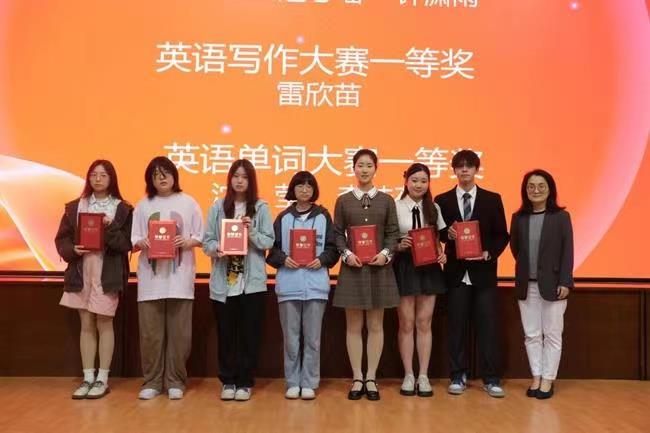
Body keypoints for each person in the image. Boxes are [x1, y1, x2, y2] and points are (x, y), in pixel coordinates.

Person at [434, 150, 509, 398]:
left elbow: (502, 235)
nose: (464, 170)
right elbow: (437, 233)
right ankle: (458, 375)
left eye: (469, 166)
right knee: (456, 327)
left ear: (477, 169)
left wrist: (489, 253)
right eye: (460, 166)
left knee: (488, 327)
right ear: (454, 170)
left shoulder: (492, 199)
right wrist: (447, 234)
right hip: (456, 274)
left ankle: (491, 378)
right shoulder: (442, 200)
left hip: (483, 273)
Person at [55, 159, 132, 399]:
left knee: (105, 323)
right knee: (86, 324)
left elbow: (126, 244)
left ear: (112, 179)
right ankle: (88, 377)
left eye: (103, 175)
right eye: (94, 175)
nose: (98, 179)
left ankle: (102, 378)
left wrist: (108, 227)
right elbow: (62, 239)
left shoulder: (123, 209)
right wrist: (72, 249)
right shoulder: (75, 207)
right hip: (81, 271)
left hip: (108, 272)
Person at [131, 156, 204, 400]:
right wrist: (142, 242)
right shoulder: (143, 205)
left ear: (174, 176)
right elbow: (134, 239)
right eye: (155, 175)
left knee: (180, 336)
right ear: (150, 180)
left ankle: (175, 381)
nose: (161, 178)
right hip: (151, 281)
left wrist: (187, 241)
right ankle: (152, 381)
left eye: (165, 173)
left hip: (180, 280)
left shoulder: (189, 202)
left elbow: (201, 236)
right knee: (150, 335)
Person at [203, 159, 274, 402]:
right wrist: (218, 249)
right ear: (230, 179)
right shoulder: (218, 207)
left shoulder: (261, 208)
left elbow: (268, 241)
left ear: (251, 180)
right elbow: (207, 242)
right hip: (224, 284)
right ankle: (228, 381)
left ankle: (244, 381)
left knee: (249, 335)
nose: (239, 180)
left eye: (244, 176)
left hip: (251, 284)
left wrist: (250, 230)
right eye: (236, 176)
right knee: (226, 334)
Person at [333, 149, 400, 401]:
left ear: (375, 169)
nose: (364, 170)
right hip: (353, 268)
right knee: (353, 326)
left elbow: (393, 233)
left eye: (369, 165)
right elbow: (337, 233)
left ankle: (371, 377)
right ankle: (357, 377)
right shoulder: (343, 200)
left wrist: (385, 253)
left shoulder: (386, 200)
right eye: (360, 165)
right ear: (353, 168)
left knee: (375, 325)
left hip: (378, 268)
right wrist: (346, 253)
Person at [267, 171, 339, 400]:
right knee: (291, 338)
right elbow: (272, 251)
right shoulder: (283, 217)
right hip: (288, 286)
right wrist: (283, 258)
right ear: (293, 189)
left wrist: (323, 260)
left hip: (316, 285)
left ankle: (309, 382)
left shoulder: (324, 216)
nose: (304, 190)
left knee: (313, 339)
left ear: (314, 190)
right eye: (300, 186)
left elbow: (333, 249)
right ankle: (292, 382)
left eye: (309, 186)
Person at [510, 169, 573, 399]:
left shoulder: (561, 217)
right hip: (527, 285)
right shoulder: (519, 218)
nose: (535, 190)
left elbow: (568, 251)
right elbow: (516, 249)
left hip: (554, 285)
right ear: (525, 190)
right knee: (532, 335)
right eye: (531, 186)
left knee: (553, 335)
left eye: (541, 186)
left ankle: (548, 379)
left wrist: (565, 280)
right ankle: (536, 376)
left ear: (550, 190)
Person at [393, 163, 447, 397]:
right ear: (406, 181)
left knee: (424, 323)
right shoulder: (395, 206)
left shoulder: (433, 207)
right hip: (405, 266)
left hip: (429, 268)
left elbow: (438, 239)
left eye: (424, 181)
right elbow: (388, 238)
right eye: (414, 180)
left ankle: (423, 375)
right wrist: (399, 245)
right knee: (406, 323)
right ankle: (408, 375)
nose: (419, 185)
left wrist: (442, 253)